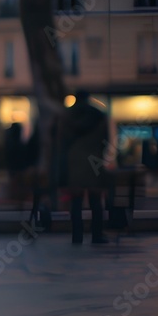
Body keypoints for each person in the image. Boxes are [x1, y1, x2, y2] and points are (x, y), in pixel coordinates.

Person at [62, 91, 109, 244]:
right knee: (96, 201)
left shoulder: (68, 116)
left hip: (74, 161)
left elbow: (62, 141)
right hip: (94, 160)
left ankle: (77, 236)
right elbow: (106, 140)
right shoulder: (99, 115)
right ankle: (97, 235)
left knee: (76, 202)